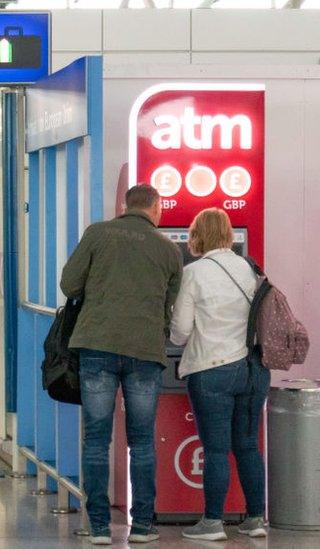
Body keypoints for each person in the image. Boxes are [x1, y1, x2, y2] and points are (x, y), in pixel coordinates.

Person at [60, 185, 182, 545]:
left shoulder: (98, 234)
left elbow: (69, 284)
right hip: (145, 351)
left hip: (97, 345)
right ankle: (143, 525)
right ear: (156, 209)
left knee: (97, 439)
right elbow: (169, 306)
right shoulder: (168, 249)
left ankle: (99, 527)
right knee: (142, 441)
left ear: (124, 206)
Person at [170, 208, 268, 541]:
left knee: (215, 449)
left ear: (196, 237)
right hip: (252, 371)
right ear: (227, 235)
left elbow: (180, 332)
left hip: (212, 370)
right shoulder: (249, 267)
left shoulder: (194, 273)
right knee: (248, 446)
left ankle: (213, 522)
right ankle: (255, 519)